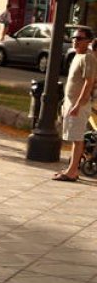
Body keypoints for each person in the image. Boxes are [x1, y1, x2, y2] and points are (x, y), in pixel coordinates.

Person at [54, 26, 97, 182]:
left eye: (79, 38)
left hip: (79, 105)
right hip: (70, 103)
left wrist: (78, 104)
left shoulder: (88, 57)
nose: (75, 41)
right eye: (74, 37)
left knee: (77, 138)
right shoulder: (77, 55)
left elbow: (89, 82)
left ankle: (72, 172)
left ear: (88, 41)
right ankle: (71, 168)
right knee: (73, 137)